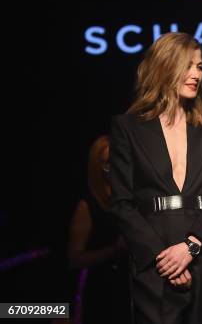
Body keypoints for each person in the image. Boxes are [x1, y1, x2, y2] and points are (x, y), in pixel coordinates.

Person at [109, 32, 202, 324]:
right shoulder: (127, 128)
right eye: (187, 65)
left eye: (200, 66)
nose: (196, 75)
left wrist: (191, 246)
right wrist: (163, 259)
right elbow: (122, 203)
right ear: (164, 66)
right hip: (157, 265)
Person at [67, 135, 129, 324]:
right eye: (108, 163)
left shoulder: (128, 201)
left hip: (129, 290)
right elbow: (74, 259)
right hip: (102, 292)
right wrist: (113, 250)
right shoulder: (88, 206)